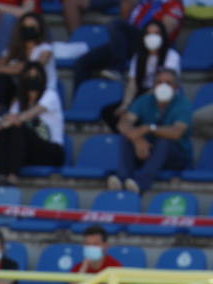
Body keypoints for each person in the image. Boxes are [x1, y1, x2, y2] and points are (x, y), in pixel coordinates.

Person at [110, 67, 190, 195]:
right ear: (153, 85)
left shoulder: (183, 104)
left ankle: (140, 185)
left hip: (175, 157)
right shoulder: (144, 100)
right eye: (159, 82)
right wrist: (137, 139)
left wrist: (148, 128)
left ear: (176, 87)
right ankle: (122, 179)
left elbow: (176, 132)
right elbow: (123, 123)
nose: (163, 86)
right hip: (146, 151)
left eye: (168, 83)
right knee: (126, 138)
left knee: (165, 141)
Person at [72, 0, 183, 89]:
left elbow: (164, 33)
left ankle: (117, 69)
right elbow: (128, 19)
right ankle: (77, 103)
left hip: (149, 45)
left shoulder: (173, 4)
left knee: (117, 24)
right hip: (126, 44)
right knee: (81, 64)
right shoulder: (145, 3)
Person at [0, 62, 64, 187]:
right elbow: (8, 120)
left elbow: (25, 116)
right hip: (29, 152)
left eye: (36, 77)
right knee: (7, 131)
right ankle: (1, 174)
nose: (32, 80)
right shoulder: (19, 101)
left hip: (51, 151)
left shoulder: (51, 95)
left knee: (18, 127)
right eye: (29, 76)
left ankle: (13, 177)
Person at [102, 21, 180, 132]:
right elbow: (132, 83)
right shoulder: (138, 56)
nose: (152, 37)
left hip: (162, 95)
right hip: (141, 93)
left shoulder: (171, 56)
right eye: (149, 34)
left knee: (138, 116)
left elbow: (167, 83)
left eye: (156, 33)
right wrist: (126, 104)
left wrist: (136, 106)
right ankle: (128, 140)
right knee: (109, 112)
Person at [0, 11, 53, 125]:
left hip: (39, 90)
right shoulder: (14, 48)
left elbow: (31, 69)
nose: (29, 30)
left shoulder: (45, 49)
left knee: (19, 78)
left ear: (39, 29)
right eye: (26, 27)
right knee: (1, 79)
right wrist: (7, 67)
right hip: (20, 89)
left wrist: (8, 67)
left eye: (32, 27)